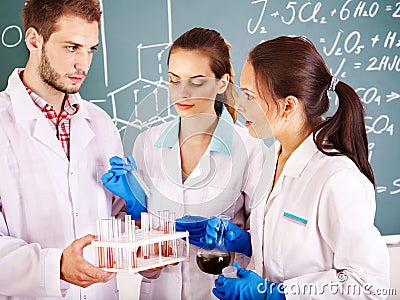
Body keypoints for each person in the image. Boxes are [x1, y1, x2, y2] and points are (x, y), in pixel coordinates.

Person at [207, 36, 391, 299]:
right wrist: (248, 242)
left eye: (249, 96)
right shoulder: (271, 157)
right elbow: (289, 250)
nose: (239, 104)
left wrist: (277, 293)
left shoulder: (336, 177)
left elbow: (370, 285)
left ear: (289, 105)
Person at [102, 27, 265, 299]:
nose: (182, 93)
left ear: (222, 83)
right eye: (174, 80)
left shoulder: (249, 147)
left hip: (219, 292)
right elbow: (143, 254)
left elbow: (265, 244)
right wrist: (135, 210)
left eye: (197, 81)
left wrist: (234, 238)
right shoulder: (146, 142)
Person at [0, 0, 125, 299]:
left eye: (90, 49)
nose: (83, 64)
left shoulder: (100, 123)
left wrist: (140, 247)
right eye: (72, 48)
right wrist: (55, 267)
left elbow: (118, 217)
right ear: (34, 40)